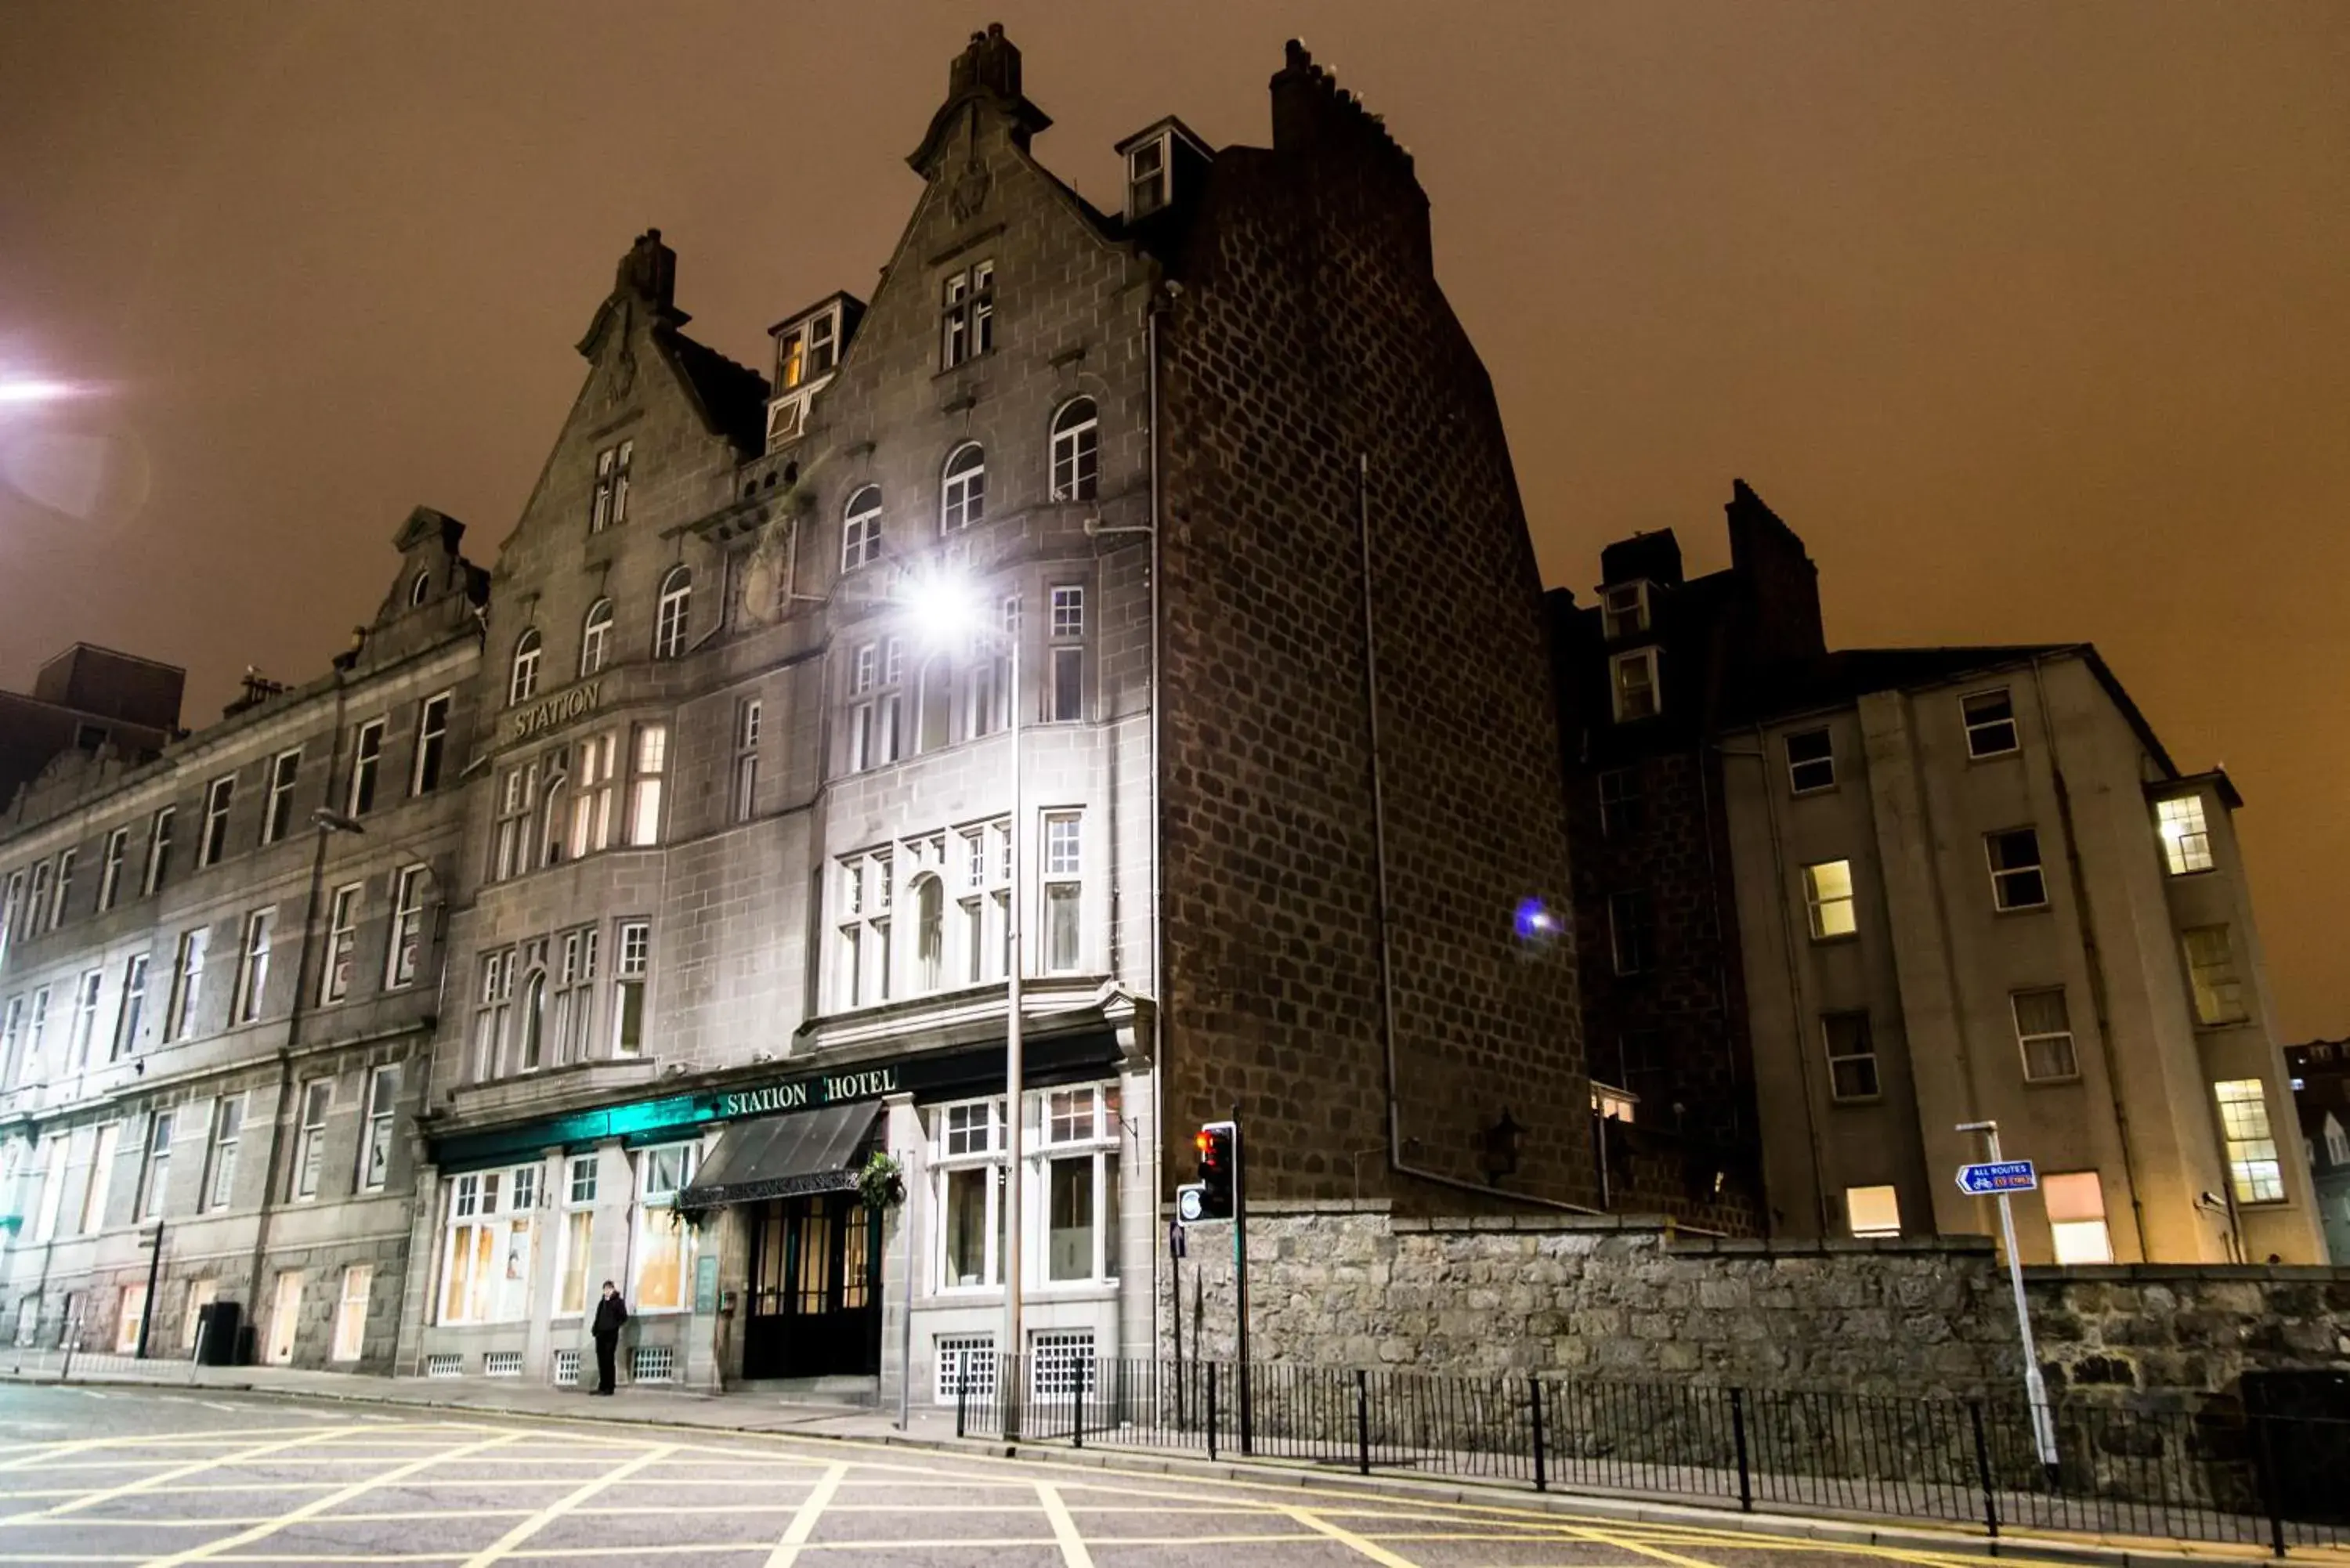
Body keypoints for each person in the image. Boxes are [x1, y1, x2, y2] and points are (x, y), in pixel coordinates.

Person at [591, 1281, 627, 1395]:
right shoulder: (602, 1303)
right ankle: (602, 1386)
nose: (607, 1291)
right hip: (600, 1335)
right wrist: (595, 1330)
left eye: (609, 1289)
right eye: (605, 1289)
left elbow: (624, 1317)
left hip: (610, 1335)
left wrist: (614, 1326)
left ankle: (609, 1387)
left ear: (613, 1289)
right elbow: (598, 1317)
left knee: (608, 1360)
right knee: (601, 1361)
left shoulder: (618, 1302)